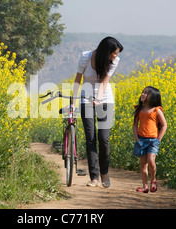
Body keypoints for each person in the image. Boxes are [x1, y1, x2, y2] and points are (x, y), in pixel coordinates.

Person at [72, 37, 123, 188]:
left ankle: (104, 174)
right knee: (91, 138)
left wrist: (98, 99)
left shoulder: (114, 61)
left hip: (105, 99)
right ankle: (94, 177)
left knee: (104, 138)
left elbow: (105, 81)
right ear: (105, 52)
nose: (116, 56)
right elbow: (78, 79)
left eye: (117, 54)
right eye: (114, 53)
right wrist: (73, 102)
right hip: (85, 99)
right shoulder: (86, 57)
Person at [132, 86, 167, 193]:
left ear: (153, 96)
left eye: (146, 93)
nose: (143, 94)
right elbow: (135, 125)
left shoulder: (157, 110)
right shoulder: (139, 109)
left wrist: (158, 139)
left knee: (151, 160)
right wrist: (136, 138)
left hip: (153, 140)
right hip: (141, 140)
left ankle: (153, 180)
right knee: (143, 165)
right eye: (142, 92)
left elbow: (164, 125)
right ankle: (144, 186)